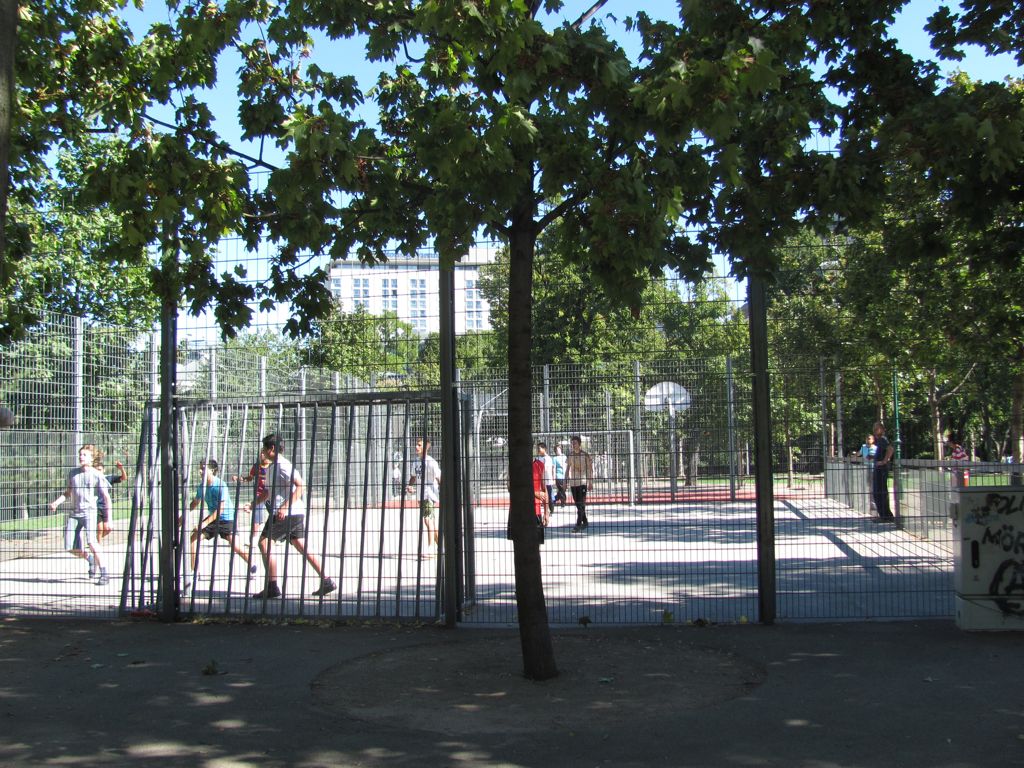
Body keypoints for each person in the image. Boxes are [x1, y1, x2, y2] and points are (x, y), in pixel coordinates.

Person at [253, 434, 335, 599]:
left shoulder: (283, 465)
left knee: (264, 542)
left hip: (286, 513)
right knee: (300, 545)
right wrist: (253, 503)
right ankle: (326, 580)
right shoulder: (271, 468)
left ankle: (272, 586)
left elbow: (301, 485)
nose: (262, 451)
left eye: (265, 448)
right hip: (292, 513)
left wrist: (284, 507)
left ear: (272, 449)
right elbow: (269, 492)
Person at [188, 458, 257, 585]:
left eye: (203, 468)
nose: (200, 471)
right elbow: (195, 503)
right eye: (200, 468)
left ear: (212, 470)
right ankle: (194, 572)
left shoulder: (220, 485)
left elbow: (220, 509)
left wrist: (203, 523)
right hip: (212, 520)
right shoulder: (201, 487)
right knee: (193, 539)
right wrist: (183, 515)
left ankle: (251, 564)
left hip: (226, 519)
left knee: (236, 546)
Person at [50, 444, 112, 585]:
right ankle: (90, 559)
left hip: (89, 512)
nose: (81, 457)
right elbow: (68, 493)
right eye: (80, 454)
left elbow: (107, 497)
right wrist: (56, 503)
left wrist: (109, 519)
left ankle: (104, 573)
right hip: (75, 513)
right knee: (70, 546)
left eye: (84, 455)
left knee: (92, 542)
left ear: (91, 458)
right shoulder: (73, 473)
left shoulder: (97, 475)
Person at [408, 436, 441, 557]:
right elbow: (413, 476)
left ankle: (430, 547)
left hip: (429, 495)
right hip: (420, 495)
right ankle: (442, 546)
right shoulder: (416, 461)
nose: (416, 447)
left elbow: (439, 477)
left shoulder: (431, 462)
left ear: (426, 446)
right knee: (430, 521)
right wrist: (410, 485)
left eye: (419, 445)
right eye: (416, 445)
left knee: (427, 520)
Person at [93, 451, 126, 542]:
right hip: (96, 507)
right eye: (96, 470)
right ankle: (98, 547)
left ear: (103, 470)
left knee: (108, 529)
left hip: (105, 507)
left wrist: (121, 469)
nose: (98, 472)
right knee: (100, 528)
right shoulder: (92, 479)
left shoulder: (107, 478)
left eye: (100, 470)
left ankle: (94, 541)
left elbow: (123, 478)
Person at [565, 435, 594, 533]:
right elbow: (567, 469)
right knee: (578, 503)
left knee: (581, 503)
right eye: (572, 443)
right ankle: (585, 521)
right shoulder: (570, 455)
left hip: (582, 482)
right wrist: (565, 482)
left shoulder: (585, 455)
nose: (573, 445)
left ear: (579, 444)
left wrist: (590, 482)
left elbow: (590, 469)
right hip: (573, 482)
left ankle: (578, 524)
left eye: (575, 443)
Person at [870, 422, 895, 522]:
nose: (874, 431)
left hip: (882, 469)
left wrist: (884, 461)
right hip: (878, 468)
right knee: (877, 492)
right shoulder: (879, 440)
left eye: (877, 428)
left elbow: (890, 449)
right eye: (874, 429)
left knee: (880, 492)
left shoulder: (883, 439)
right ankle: (883, 515)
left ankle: (886, 516)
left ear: (882, 429)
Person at [536, 441, 555, 526]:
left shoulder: (548, 458)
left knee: (549, 498)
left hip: (548, 480)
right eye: (537, 448)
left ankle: (550, 511)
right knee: (542, 498)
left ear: (544, 449)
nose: (538, 450)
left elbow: (549, 469)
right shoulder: (537, 459)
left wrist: (553, 478)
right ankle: (543, 513)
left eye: (539, 448)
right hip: (540, 482)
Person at [858, 434, 876, 511]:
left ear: (873, 440)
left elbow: (878, 457)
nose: (867, 440)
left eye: (869, 439)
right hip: (864, 469)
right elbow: (859, 454)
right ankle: (863, 504)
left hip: (873, 469)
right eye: (866, 439)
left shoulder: (876, 448)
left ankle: (873, 504)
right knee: (864, 486)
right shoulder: (863, 447)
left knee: (872, 487)